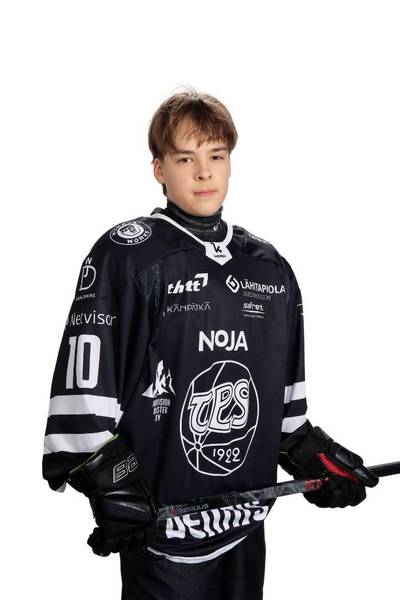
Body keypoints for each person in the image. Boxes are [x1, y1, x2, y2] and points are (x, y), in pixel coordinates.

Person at [42, 88, 379, 600]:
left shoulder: (270, 268)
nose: (204, 173)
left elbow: (284, 409)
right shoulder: (128, 256)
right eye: (185, 159)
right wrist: (110, 480)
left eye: (216, 157)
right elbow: (81, 403)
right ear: (159, 169)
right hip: (164, 540)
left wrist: (312, 455)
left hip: (244, 529)